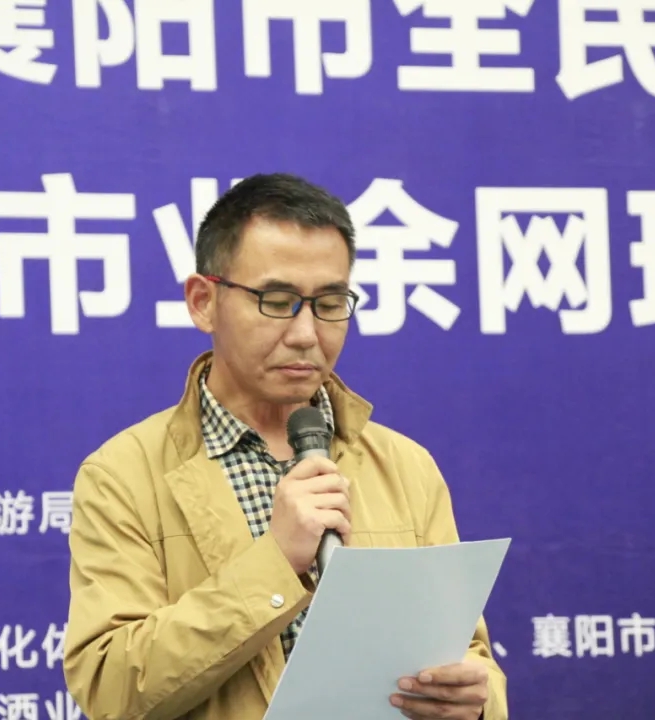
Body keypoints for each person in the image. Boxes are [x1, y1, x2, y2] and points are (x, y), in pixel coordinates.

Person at [63, 173, 507, 720]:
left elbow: (472, 655)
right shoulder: (122, 475)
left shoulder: (406, 466)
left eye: (330, 303)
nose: (305, 333)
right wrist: (275, 563)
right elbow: (109, 686)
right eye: (277, 301)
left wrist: (474, 699)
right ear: (203, 302)